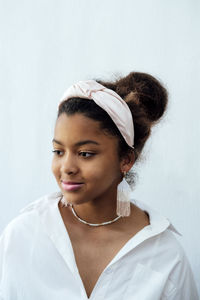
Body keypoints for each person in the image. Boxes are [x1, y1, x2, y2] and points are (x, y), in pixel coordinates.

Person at [0, 72, 199, 300]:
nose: (67, 167)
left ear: (126, 160)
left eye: (85, 153)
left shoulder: (165, 256)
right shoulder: (22, 237)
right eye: (58, 151)